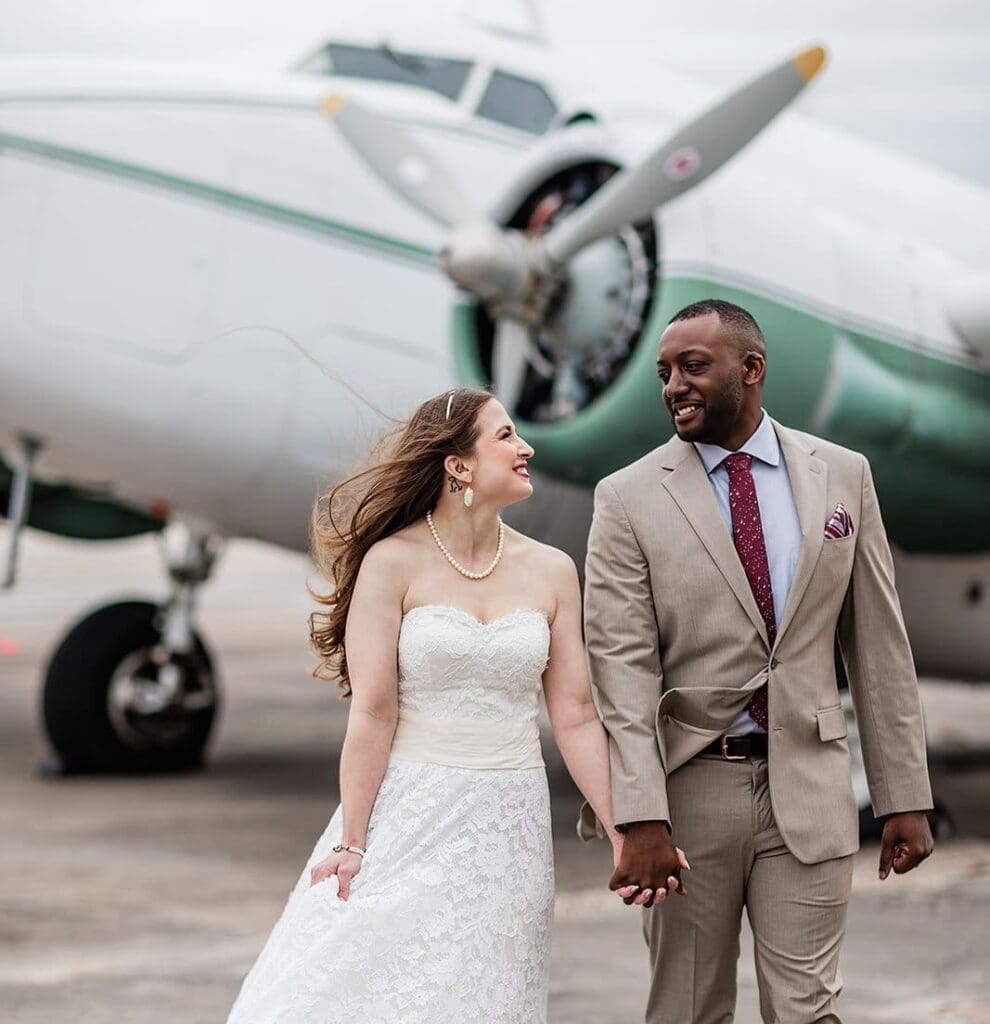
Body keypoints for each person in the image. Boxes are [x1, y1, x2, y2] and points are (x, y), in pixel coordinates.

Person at [225, 386, 671, 1024]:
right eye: (506, 436)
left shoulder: (551, 570)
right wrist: (353, 841)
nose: (527, 447)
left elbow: (573, 714)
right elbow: (374, 714)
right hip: (409, 815)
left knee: (484, 996)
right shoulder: (392, 562)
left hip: (509, 829)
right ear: (458, 466)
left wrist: (623, 832)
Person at [581, 299, 934, 1023]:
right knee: (688, 1008)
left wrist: (904, 794)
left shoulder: (843, 475)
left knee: (808, 1008)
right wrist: (641, 816)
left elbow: (878, 648)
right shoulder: (626, 498)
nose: (673, 385)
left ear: (752, 368)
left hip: (809, 785)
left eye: (693, 366)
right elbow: (622, 671)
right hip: (689, 795)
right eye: (664, 372)